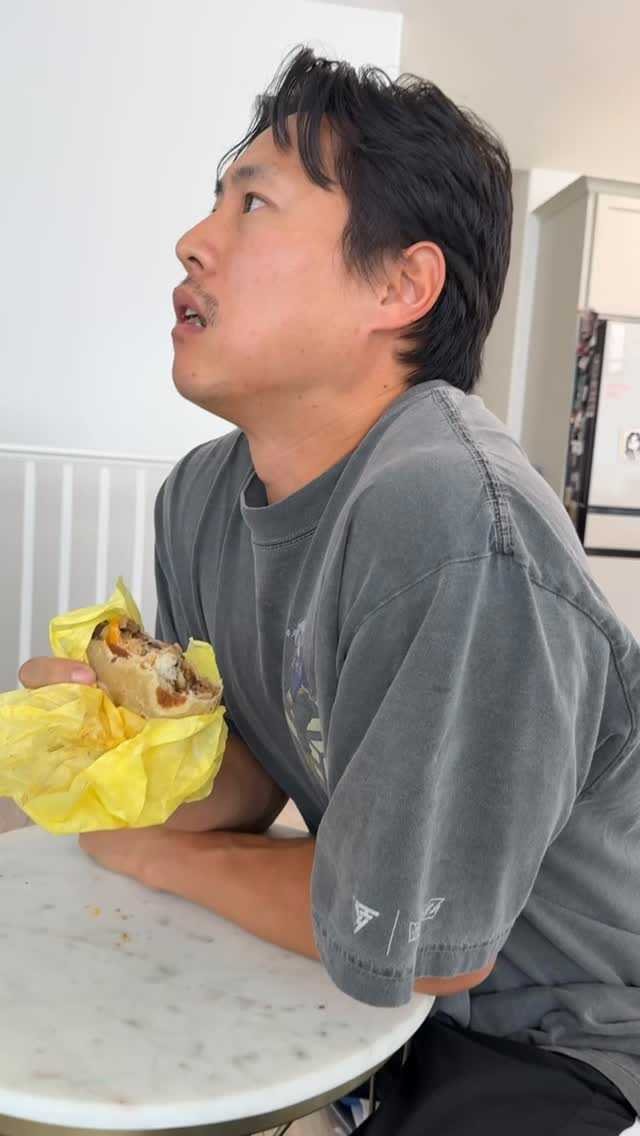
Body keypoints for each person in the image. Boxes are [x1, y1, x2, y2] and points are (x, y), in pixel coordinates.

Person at [19, 46, 639, 1135]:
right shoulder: (203, 498)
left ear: (399, 285)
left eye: (252, 202)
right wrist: (113, 749)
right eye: (215, 197)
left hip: (564, 1030)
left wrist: (154, 849)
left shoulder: (451, 520)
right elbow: (251, 776)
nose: (193, 238)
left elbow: (405, 936)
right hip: (382, 991)